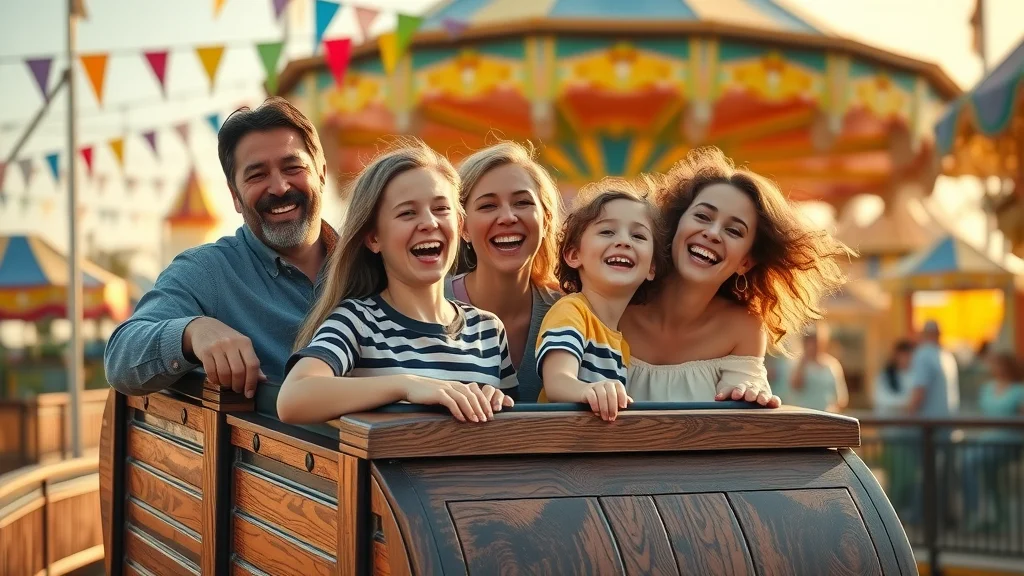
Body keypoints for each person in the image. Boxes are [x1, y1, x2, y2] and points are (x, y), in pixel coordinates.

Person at [104, 97, 337, 399]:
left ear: (321, 173)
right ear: (235, 197)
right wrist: (193, 332)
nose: (279, 187)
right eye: (257, 175)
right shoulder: (209, 272)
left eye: (293, 167)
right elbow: (121, 357)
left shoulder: (373, 261)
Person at [277, 139, 517, 424]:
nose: (429, 223)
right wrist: (406, 385)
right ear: (374, 238)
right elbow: (293, 399)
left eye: (441, 209)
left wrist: (498, 403)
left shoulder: (489, 330)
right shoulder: (357, 322)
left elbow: (511, 434)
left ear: (461, 225)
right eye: (407, 213)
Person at [619, 147, 852, 406]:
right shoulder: (615, 303)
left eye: (734, 230)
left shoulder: (744, 328)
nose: (713, 233)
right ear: (676, 225)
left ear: (745, 261)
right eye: (702, 216)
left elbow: (741, 396)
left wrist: (747, 394)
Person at [536, 179, 662, 421]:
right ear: (574, 255)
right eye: (607, 231)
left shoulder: (619, 341)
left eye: (638, 235)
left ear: (652, 267)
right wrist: (588, 390)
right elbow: (557, 382)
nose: (624, 241)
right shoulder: (572, 311)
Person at [446, 141, 563, 402]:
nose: (508, 217)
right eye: (488, 206)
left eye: (522, 202)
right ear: (462, 226)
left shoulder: (571, 314)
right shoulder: (427, 304)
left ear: (545, 220)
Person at [961, 351, 1024, 531]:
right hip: (987, 441)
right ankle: (994, 518)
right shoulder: (987, 388)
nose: (996, 368)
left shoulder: (1019, 390)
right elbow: (982, 415)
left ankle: (978, 512)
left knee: (971, 461)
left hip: (1008, 443)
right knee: (989, 478)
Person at [787, 323, 849, 412]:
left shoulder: (832, 365)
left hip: (826, 417)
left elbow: (842, 399)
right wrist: (803, 362)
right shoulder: (797, 364)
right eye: (810, 341)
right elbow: (794, 387)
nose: (814, 345)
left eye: (816, 341)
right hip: (804, 417)